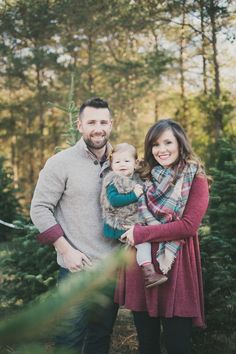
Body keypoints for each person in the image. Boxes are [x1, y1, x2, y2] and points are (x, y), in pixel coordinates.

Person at [30, 97, 119, 354]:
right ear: (79, 125)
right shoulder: (60, 162)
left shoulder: (122, 163)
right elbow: (39, 208)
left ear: (111, 124)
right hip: (75, 269)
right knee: (69, 340)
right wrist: (65, 250)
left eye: (103, 122)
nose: (98, 127)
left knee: (100, 338)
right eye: (91, 122)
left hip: (110, 270)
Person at [115, 119, 210, 354]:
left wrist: (141, 232)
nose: (161, 149)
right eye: (155, 144)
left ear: (180, 143)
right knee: (147, 345)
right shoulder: (144, 176)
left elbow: (188, 226)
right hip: (142, 267)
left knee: (178, 345)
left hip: (176, 267)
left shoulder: (195, 178)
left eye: (168, 142)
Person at [100, 143, 167, 288]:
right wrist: (134, 195)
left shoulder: (138, 178)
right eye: (117, 162)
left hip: (134, 219)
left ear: (135, 163)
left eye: (127, 161)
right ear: (111, 165)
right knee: (143, 242)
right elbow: (114, 201)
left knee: (131, 250)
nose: (122, 164)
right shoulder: (113, 180)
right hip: (120, 222)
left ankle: (121, 277)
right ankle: (149, 274)